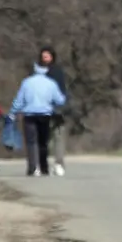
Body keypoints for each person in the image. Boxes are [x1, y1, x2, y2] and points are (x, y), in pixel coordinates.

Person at [8, 62, 66, 176]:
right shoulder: (51, 83)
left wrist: (12, 113)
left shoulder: (27, 83)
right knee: (43, 142)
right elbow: (60, 100)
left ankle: (33, 168)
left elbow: (19, 100)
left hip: (30, 115)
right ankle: (44, 167)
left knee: (31, 142)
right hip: (45, 115)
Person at [38, 46, 69, 176]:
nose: (45, 59)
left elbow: (62, 90)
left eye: (47, 56)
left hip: (55, 109)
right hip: (43, 109)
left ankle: (58, 163)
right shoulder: (39, 71)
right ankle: (45, 164)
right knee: (46, 138)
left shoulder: (56, 71)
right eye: (43, 56)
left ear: (52, 57)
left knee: (58, 136)